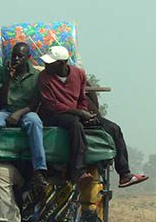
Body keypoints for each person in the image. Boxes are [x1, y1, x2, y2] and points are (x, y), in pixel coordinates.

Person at [38, 46, 148, 188]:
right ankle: (78, 171)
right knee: (74, 124)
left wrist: (86, 114)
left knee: (114, 128)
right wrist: (79, 113)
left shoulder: (79, 74)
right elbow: (52, 105)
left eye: (50, 62)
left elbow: (81, 99)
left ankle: (124, 174)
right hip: (55, 115)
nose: (46, 65)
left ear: (62, 63)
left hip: (76, 113)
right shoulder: (44, 77)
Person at [0, 42, 48, 186]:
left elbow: (35, 104)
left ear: (28, 58)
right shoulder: (2, 71)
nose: (16, 60)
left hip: (26, 111)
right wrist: (9, 79)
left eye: (20, 57)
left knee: (35, 122)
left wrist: (19, 113)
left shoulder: (36, 76)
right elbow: (0, 99)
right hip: (6, 110)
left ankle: (39, 171)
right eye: (14, 56)